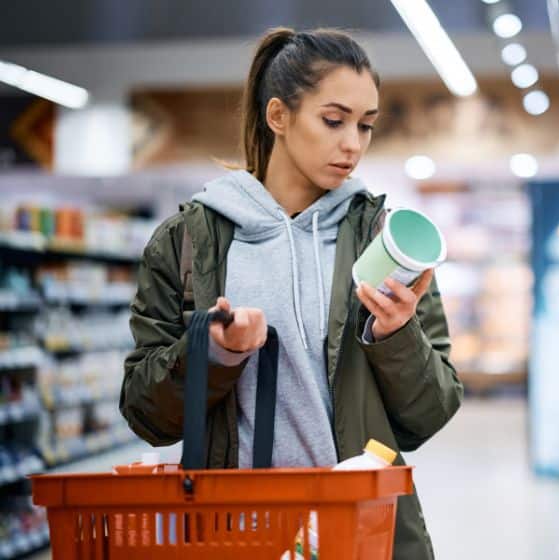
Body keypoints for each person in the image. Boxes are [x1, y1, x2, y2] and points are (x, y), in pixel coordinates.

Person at [120, 27, 463, 559]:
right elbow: (145, 413)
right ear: (278, 116)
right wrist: (215, 353)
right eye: (333, 120)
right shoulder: (188, 242)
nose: (352, 143)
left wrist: (395, 335)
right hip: (237, 535)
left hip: (361, 534)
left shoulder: (383, 241)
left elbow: (430, 412)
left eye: (366, 125)